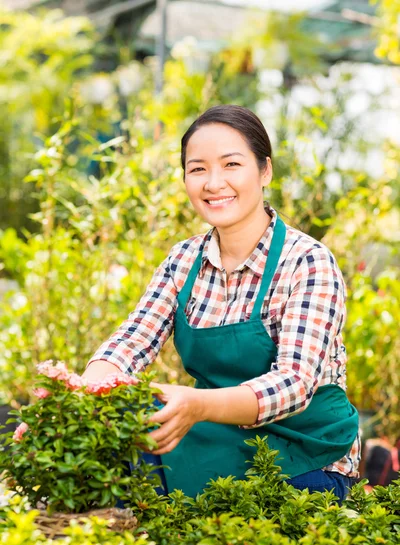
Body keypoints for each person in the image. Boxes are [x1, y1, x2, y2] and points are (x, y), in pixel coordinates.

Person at [83, 104, 360, 502]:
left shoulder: (307, 261)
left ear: (265, 170)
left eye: (231, 164)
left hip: (306, 454)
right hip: (214, 440)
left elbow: (295, 384)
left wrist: (198, 404)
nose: (214, 183)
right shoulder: (183, 261)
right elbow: (131, 341)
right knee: (107, 468)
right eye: (198, 169)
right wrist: (83, 393)